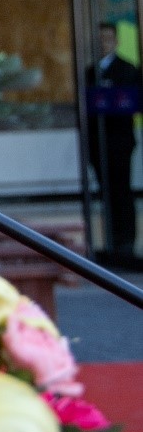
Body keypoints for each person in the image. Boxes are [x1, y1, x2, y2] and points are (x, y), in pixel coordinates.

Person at [85, 20, 140, 260]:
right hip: (98, 142)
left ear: (116, 41)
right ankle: (110, 241)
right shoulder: (90, 72)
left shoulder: (127, 70)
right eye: (99, 40)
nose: (103, 44)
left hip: (120, 141)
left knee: (122, 191)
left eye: (107, 39)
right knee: (106, 192)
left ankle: (125, 242)